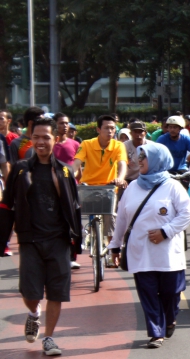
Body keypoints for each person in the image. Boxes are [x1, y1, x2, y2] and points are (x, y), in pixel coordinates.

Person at [0, 117, 82, 356]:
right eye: (36, 137)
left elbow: (74, 206)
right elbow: (7, 205)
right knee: (30, 292)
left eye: (46, 137)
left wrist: (76, 241)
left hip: (58, 240)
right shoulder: (21, 169)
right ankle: (34, 314)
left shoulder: (64, 171)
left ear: (55, 139)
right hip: (29, 240)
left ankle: (49, 338)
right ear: (30, 138)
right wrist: (2, 238)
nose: (41, 141)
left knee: (56, 292)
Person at [109, 142, 190, 349]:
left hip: (168, 255)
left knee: (171, 293)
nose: (139, 161)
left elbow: (188, 213)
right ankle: (156, 332)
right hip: (140, 252)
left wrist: (166, 231)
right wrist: (115, 245)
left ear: (158, 160)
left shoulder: (172, 186)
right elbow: (121, 219)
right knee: (147, 294)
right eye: (139, 158)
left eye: (143, 157)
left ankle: (170, 318)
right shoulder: (132, 188)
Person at [72, 115, 128, 259]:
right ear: (98, 129)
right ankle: (83, 237)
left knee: (109, 217)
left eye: (112, 128)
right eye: (106, 128)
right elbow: (76, 163)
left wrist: (120, 179)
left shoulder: (118, 145)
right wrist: (69, 176)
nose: (110, 131)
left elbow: (122, 164)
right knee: (75, 213)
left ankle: (112, 251)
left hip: (108, 188)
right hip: (88, 187)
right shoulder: (86, 144)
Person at [52, 113, 81, 269]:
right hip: (53, 188)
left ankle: (71, 256)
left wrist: (77, 179)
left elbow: (79, 167)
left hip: (72, 188)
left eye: (67, 123)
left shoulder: (75, 144)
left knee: (72, 222)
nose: (65, 126)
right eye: (61, 123)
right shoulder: (50, 145)